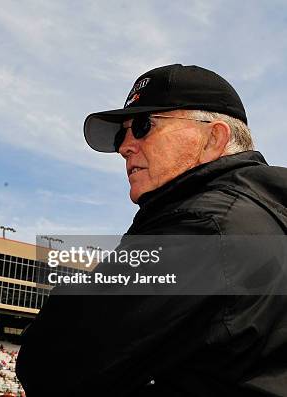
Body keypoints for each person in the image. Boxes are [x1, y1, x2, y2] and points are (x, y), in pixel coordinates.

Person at [16, 64, 287, 395]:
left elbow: (49, 362)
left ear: (213, 138)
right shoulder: (263, 215)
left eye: (144, 126)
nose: (124, 147)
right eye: (122, 134)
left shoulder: (202, 228)